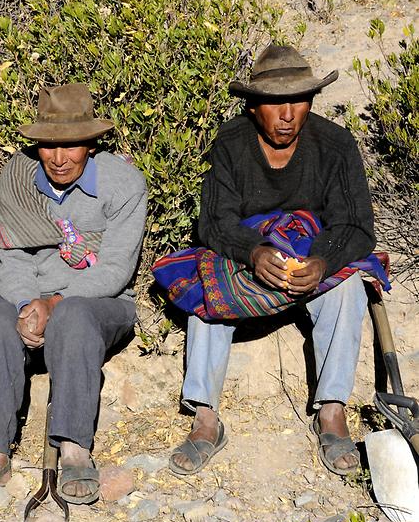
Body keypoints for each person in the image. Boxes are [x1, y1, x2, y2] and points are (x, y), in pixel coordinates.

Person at [153, 44, 388, 477]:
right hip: (253, 257)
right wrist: (254, 252)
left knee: (349, 287)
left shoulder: (335, 145)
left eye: (298, 101)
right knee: (208, 286)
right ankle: (206, 418)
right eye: (275, 103)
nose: (287, 115)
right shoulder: (230, 141)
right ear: (253, 105)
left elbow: (356, 227)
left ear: (311, 101)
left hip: (311, 258)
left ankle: (331, 411)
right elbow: (214, 222)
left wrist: (320, 261)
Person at [0, 84, 147, 505]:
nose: (59, 159)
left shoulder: (123, 184)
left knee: (74, 318)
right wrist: (29, 303)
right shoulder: (18, 178)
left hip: (99, 298)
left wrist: (54, 304)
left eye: (72, 147)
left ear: (91, 144)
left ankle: (74, 447)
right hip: (32, 292)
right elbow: (13, 258)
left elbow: (117, 269)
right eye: (48, 147)